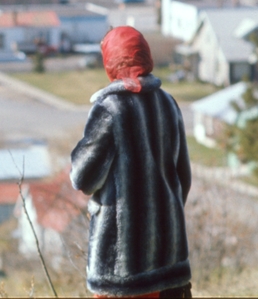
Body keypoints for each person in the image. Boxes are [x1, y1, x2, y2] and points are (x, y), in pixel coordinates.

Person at [70, 26, 192, 298]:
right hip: (169, 257)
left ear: (110, 62)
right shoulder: (168, 103)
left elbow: (83, 178)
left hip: (123, 263)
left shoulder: (109, 109)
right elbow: (184, 176)